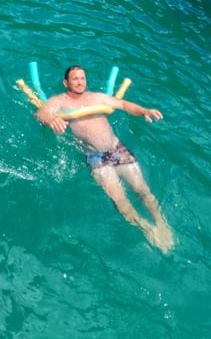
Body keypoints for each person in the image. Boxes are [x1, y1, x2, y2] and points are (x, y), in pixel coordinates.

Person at [37, 65, 175, 253]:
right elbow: (41, 113)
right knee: (120, 200)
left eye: (83, 78)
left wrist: (144, 110)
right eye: (75, 78)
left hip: (117, 149)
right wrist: (50, 120)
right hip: (95, 157)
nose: (80, 82)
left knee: (142, 190)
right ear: (66, 82)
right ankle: (147, 229)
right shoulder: (60, 102)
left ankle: (161, 224)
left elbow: (124, 104)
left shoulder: (97, 97)